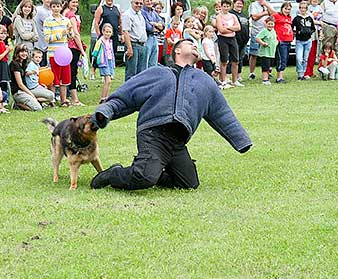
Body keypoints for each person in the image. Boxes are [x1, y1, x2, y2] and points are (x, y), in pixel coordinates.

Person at [89, 38, 252, 190]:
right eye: (190, 43)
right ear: (177, 51)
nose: (195, 45)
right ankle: (113, 173)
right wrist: (105, 112)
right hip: (153, 134)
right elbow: (126, 96)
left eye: (196, 44)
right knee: (144, 177)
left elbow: (222, 113)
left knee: (189, 184)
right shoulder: (157, 73)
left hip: (177, 141)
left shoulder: (205, 82)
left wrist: (241, 140)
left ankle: (151, 167)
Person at [43, 0, 72, 107]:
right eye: (54, 6)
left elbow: (71, 36)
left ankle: (63, 100)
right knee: (54, 78)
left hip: (65, 54)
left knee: (64, 78)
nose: (56, 8)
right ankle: (52, 100)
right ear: (51, 8)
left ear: (61, 7)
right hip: (53, 53)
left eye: (58, 6)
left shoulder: (66, 20)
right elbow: (47, 38)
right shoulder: (48, 21)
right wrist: (61, 33)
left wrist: (70, 31)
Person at [63, 0, 86, 106]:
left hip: (64, 46)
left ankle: (65, 97)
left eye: (77, 2)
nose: (76, 4)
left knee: (67, 72)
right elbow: (76, 34)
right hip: (72, 47)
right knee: (72, 72)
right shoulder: (70, 15)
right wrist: (81, 49)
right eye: (73, 2)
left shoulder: (64, 13)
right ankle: (74, 99)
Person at [216, 0, 242, 88]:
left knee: (235, 60)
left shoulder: (233, 16)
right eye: (224, 6)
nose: (226, 8)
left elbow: (238, 27)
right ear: (221, 6)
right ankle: (223, 80)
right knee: (224, 60)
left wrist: (229, 27)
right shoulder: (219, 16)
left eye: (227, 6)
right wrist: (232, 29)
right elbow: (221, 29)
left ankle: (235, 80)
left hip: (232, 39)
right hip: (223, 39)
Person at [10, 43, 43, 111]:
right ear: (17, 53)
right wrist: (31, 94)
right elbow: (20, 84)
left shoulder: (24, 63)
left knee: (49, 96)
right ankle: (18, 105)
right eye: (22, 51)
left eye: (26, 51)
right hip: (18, 92)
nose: (24, 53)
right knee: (38, 108)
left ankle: (33, 101)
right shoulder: (14, 64)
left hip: (26, 89)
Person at [267, 1, 293, 84]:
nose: (287, 10)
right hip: (281, 41)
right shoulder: (277, 16)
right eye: (285, 8)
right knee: (281, 59)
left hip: (288, 40)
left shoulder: (289, 18)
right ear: (282, 8)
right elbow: (267, 22)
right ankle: (279, 77)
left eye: (289, 9)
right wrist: (273, 36)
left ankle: (280, 75)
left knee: (285, 59)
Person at [122, 0, 147, 81]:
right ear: (132, 3)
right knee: (131, 73)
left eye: (140, 3)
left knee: (141, 73)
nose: (138, 5)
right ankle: (128, 92)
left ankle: (138, 92)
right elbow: (125, 32)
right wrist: (129, 48)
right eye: (136, 3)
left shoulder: (140, 14)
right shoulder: (127, 15)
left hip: (142, 45)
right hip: (133, 45)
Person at [93, 0, 121, 69]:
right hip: (104, 36)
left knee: (111, 54)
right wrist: (99, 34)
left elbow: (120, 23)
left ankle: (109, 70)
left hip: (114, 35)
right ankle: (93, 70)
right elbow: (96, 23)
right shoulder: (101, 8)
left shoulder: (117, 9)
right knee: (100, 54)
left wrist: (121, 34)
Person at [92, 23, 115, 103]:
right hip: (103, 62)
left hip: (109, 62)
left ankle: (106, 97)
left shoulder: (110, 41)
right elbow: (95, 53)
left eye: (109, 32)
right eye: (106, 32)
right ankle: (103, 98)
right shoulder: (100, 41)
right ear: (103, 32)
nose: (108, 34)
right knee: (108, 80)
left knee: (109, 81)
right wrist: (93, 66)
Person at [292, 1, 315, 80]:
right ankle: (300, 73)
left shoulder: (309, 18)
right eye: (301, 8)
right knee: (299, 58)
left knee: (305, 58)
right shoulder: (296, 19)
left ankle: (304, 73)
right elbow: (292, 28)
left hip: (308, 41)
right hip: (299, 41)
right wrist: (297, 32)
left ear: (306, 9)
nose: (303, 9)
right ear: (299, 9)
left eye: (304, 8)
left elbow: (313, 29)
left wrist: (309, 32)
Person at [227, 0, 249, 82]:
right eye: (238, 3)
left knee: (240, 59)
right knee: (232, 58)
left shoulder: (244, 15)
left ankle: (238, 75)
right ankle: (228, 75)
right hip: (234, 39)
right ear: (234, 4)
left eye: (241, 4)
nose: (239, 5)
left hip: (244, 41)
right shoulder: (231, 14)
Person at [248, 0, 269, 80]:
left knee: (266, 54)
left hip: (267, 33)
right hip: (256, 32)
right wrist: (265, 13)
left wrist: (267, 7)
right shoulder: (254, 5)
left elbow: (273, 14)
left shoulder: (268, 4)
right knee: (254, 54)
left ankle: (267, 72)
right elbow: (254, 17)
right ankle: (252, 73)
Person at [142, 0, 164, 68]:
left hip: (155, 38)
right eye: (147, 1)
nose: (149, 2)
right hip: (147, 38)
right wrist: (157, 26)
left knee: (153, 63)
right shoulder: (142, 12)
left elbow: (162, 25)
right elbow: (148, 27)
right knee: (145, 63)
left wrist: (155, 24)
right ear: (143, 2)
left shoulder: (154, 12)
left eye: (150, 0)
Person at [256, 17, 278, 85]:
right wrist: (263, 43)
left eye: (272, 24)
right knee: (265, 66)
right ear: (265, 24)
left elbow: (275, 38)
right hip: (265, 53)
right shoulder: (264, 31)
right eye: (269, 24)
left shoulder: (273, 31)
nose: (270, 25)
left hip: (272, 53)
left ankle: (267, 77)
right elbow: (257, 38)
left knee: (269, 66)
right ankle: (265, 79)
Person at [305, 0, 323, 78]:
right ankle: (306, 72)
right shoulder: (306, 8)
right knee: (308, 54)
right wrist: (318, 22)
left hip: (316, 33)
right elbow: (308, 20)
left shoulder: (320, 8)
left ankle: (311, 72)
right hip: (309, 34)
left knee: (313, 54)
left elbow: (322, 19)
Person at [0, 25, 12, 96]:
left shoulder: (2, 42)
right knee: (2, 82)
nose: (3, 35)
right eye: (1, 33)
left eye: (5, 33)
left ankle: (6, 97)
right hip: (0, 65)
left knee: (5, 82)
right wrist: (7, 50)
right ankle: (2, 97)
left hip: (4, 63)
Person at [34, 0, 52, 67]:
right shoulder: (41, 11)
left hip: (48, 45)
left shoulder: (51, 11)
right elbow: (51, 25)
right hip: (41, 45)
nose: (49, 0)